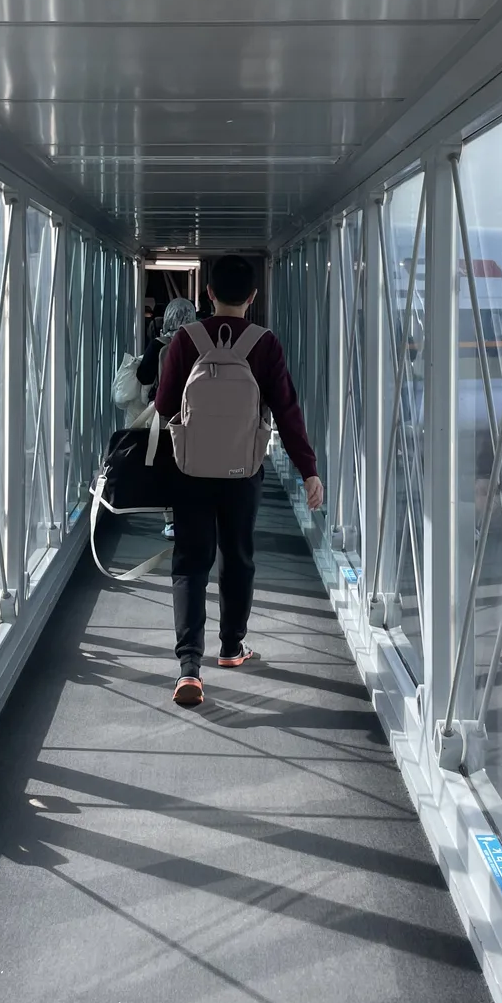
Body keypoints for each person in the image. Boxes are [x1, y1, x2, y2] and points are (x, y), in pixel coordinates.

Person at [154, 253, 324, 706]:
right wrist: (308, 469)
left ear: (207, 293)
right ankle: (232, 648)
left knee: (190, 561)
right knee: (238, 555)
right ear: (252, 296)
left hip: (188, 469)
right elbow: (286, 411)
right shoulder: (264, 344)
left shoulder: (186, 340)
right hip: (242, 470)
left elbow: (166, 406)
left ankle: (189, 667)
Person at [136, 296, 196, 538]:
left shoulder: (159, 344)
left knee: (167, 464)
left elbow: (143, 376)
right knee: (193, 463)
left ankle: (170, 520)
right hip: (196, 413)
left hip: (165, 413)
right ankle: (194, 513)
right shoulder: (200, 343)